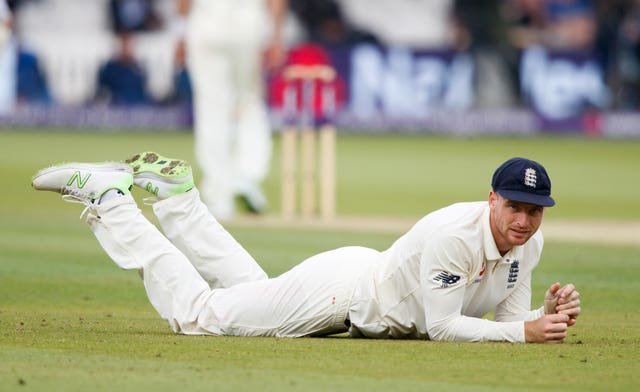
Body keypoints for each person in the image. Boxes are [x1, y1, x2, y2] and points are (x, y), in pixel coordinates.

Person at [31, 153, 581, 343]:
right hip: (340, 295)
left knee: (251, 294)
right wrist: (524, 331)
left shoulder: (527, 244)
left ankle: (178, 200)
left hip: (355, 284)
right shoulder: (452, 236)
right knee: (202, 317)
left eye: (534, 211)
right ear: (492, 200)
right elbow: (442, 328)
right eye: (515, 207)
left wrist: (544, 317)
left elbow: (508, 322)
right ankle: (113, 201)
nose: (525, 221)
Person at [175, 0, 288, 220]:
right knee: (250, 101)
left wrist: (180, 30)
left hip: (206, 21)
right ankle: (247, 177)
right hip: (247, 24)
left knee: (211, 108)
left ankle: (219, 195)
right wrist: (276, 36)